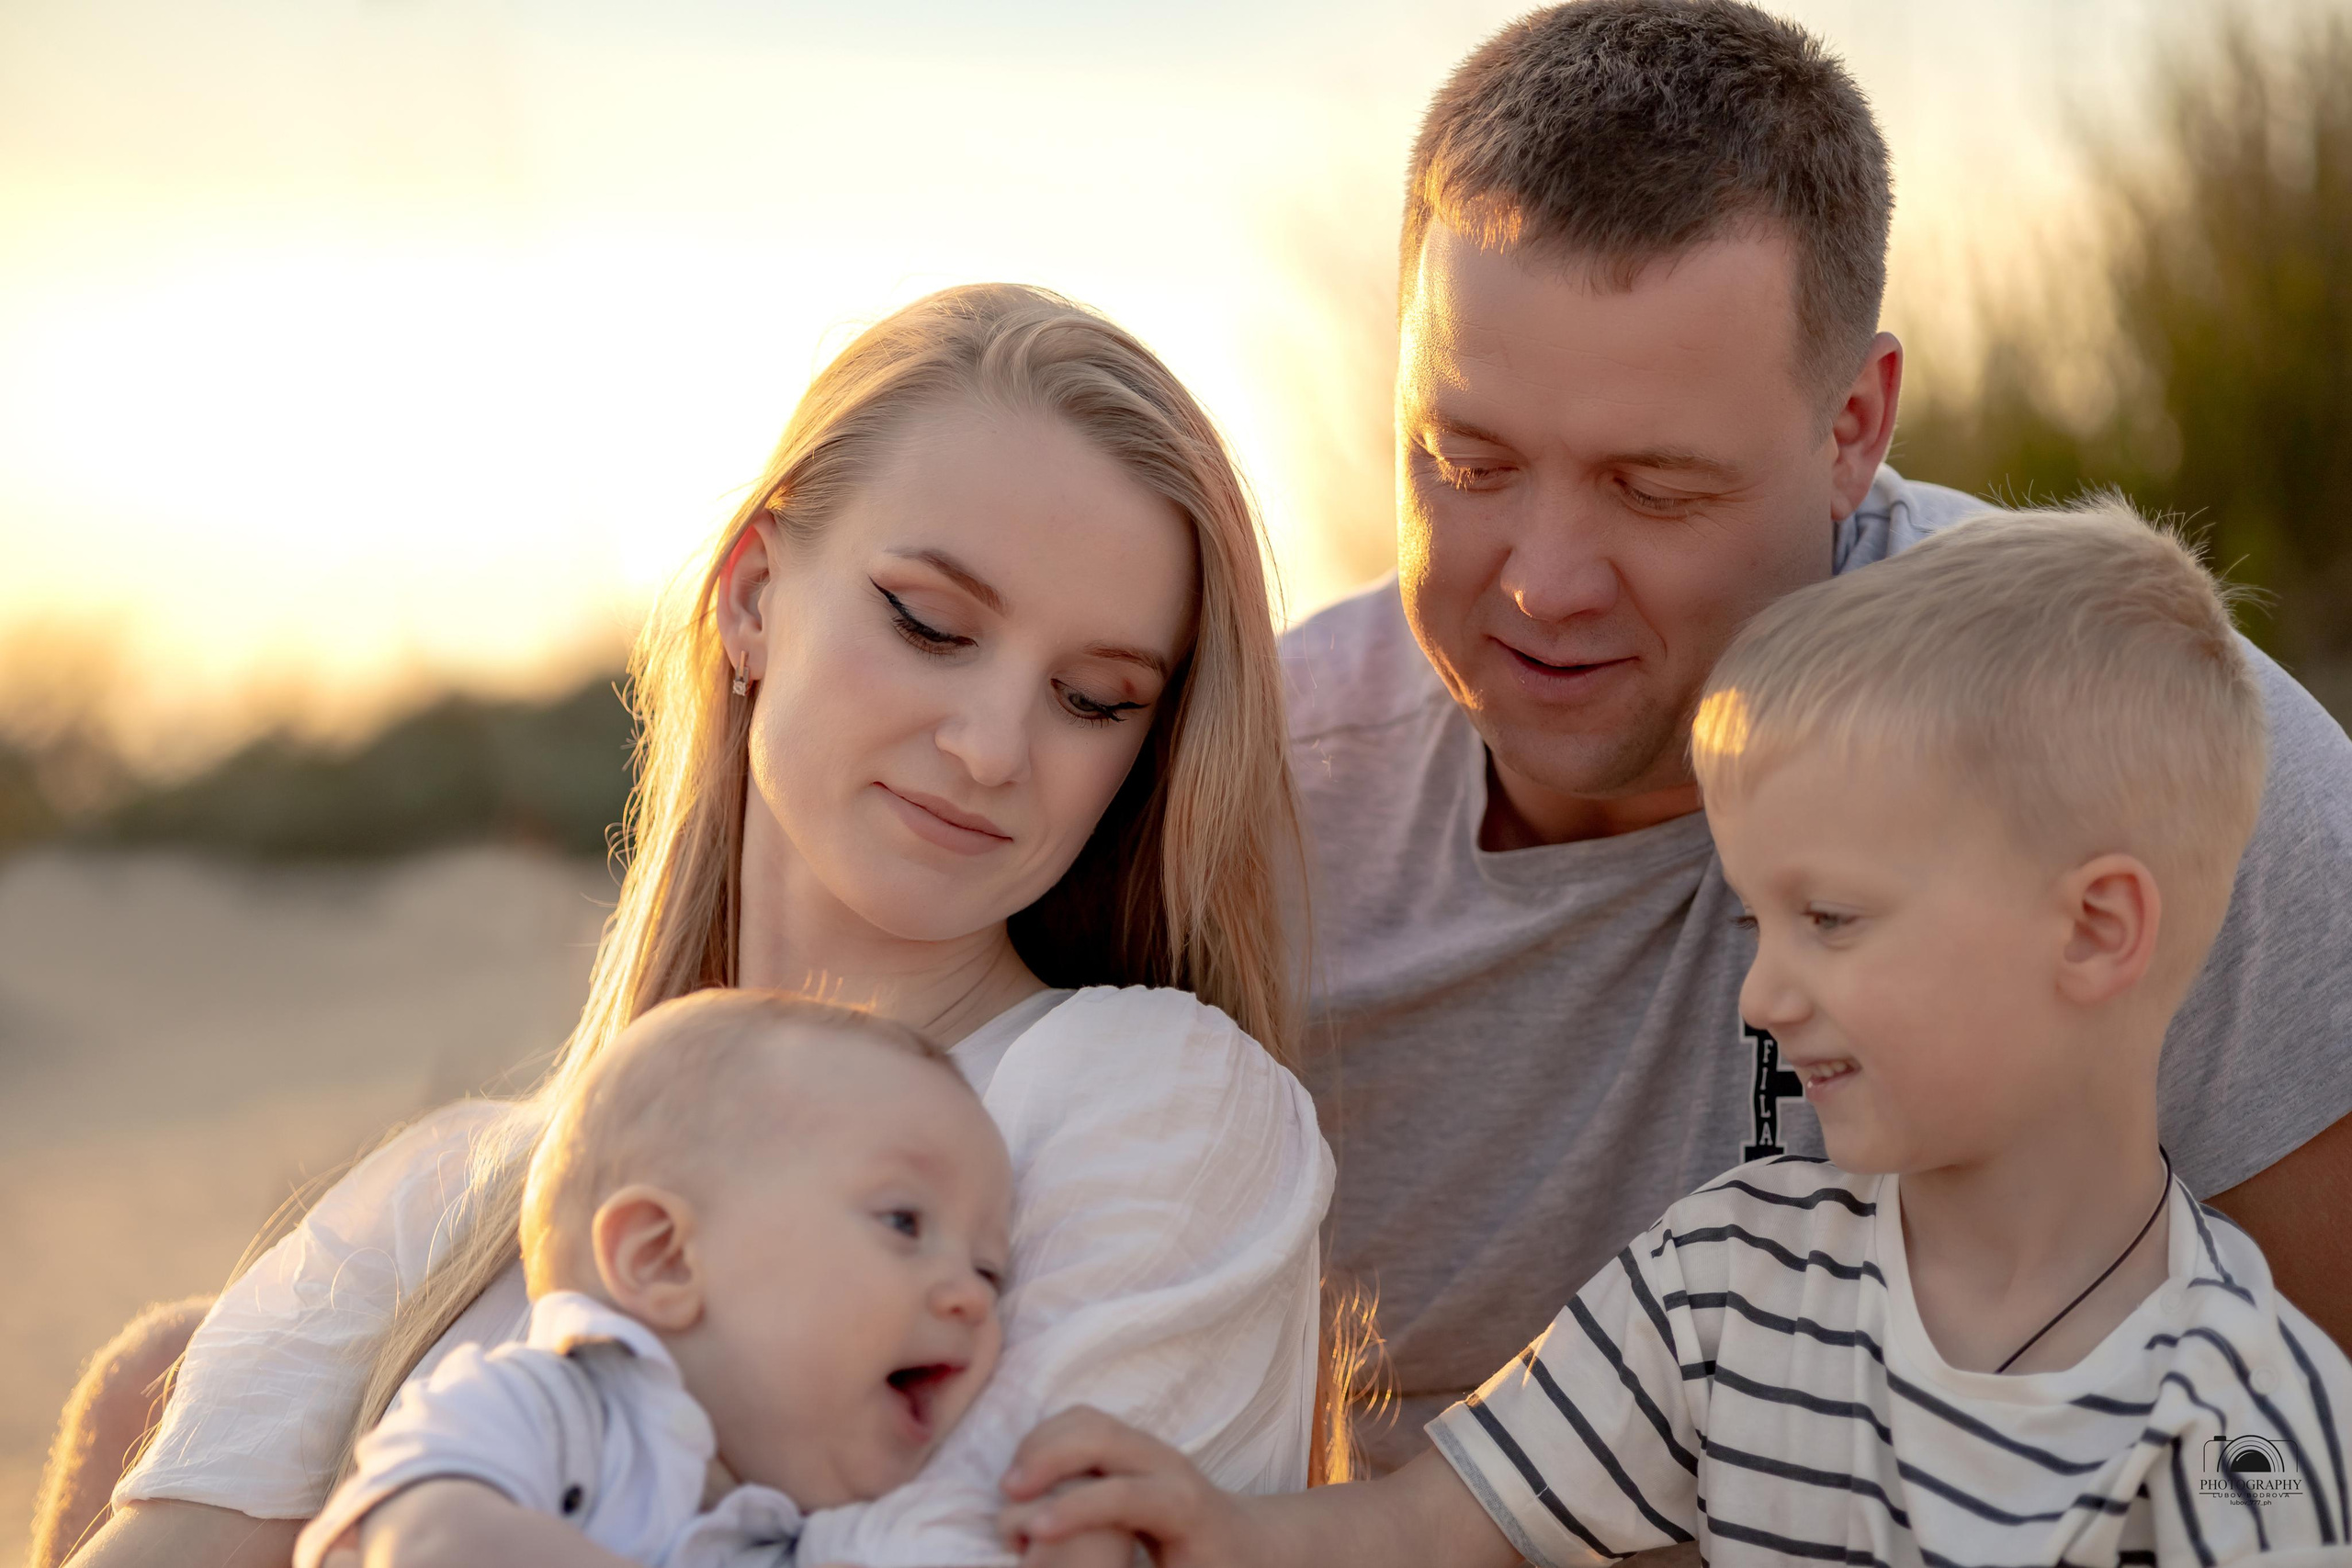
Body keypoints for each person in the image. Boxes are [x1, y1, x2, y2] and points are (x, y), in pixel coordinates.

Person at [40, 282, 1335, 1568]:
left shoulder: (1157, 1095)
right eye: (930, 624)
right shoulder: (453, 1197)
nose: (992, 745)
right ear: (756, 592)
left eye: (1094, 697)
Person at [1285, 0, 2352, 1472]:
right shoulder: (1244, 792)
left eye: (1653, 489)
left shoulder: (2143, 758)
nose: (1542, 579)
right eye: (1468, 461)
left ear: (1854, 422)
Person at [1001, 502, 2352, 1566]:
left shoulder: (2246, 1414)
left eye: (1829, 917)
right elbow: (1418, 1529)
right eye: (1756, 924)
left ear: (2096, 929)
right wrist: (1208, 1526)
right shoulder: (1719, 1281)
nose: (1763, 994)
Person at [294, 990, 1014, 1568]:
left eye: (990, 1268)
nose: (973, 1295)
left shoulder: (826, 1533)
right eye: (903, 1222)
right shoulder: (547, 1408)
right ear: (663, 1258)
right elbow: (423, 1541)